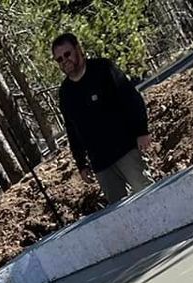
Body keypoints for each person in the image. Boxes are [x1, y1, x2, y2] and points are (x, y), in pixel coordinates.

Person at [52, 32, 151, 205]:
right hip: (101, 165)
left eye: (67, 54)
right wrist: (81, 163)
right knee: (120, 213)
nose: (64, 60)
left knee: (149, 196)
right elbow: (72, 131)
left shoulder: (103, 69)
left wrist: (142, 131)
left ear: (78, 49)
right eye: (59, 59)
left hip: (126, 150)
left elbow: (131, 98)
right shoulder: (65, 93)